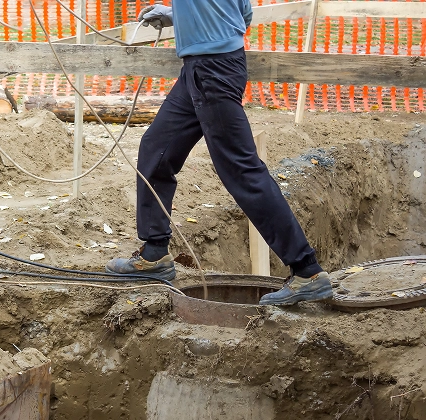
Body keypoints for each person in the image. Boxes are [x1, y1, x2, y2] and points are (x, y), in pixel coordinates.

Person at [105, 0, 333, 306]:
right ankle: (155, 253)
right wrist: (178, 14)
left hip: (212, 70)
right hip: (201, 69)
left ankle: (307, 271)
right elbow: (243, 13)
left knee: (241, 169)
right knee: (157, 148)